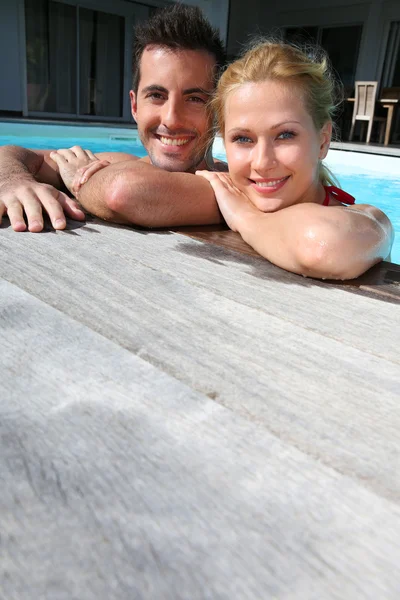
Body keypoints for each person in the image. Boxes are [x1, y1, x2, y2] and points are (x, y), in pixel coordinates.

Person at [0, 4, 226, 231]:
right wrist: (13, 181)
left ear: (217, 109)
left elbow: (123, 192)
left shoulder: (234, 183)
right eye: (156, 95)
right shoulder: (119, 163)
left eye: (195, 98)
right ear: (135, 106)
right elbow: (13, 153)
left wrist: (80, 181)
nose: (171, 119)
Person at [196, 40, 394, 279]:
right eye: (242, 139)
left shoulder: (368, 223)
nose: (262, 162)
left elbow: (322, 248)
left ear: (322, 141)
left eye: (285, 135)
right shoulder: (220, 189)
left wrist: (244, 218)